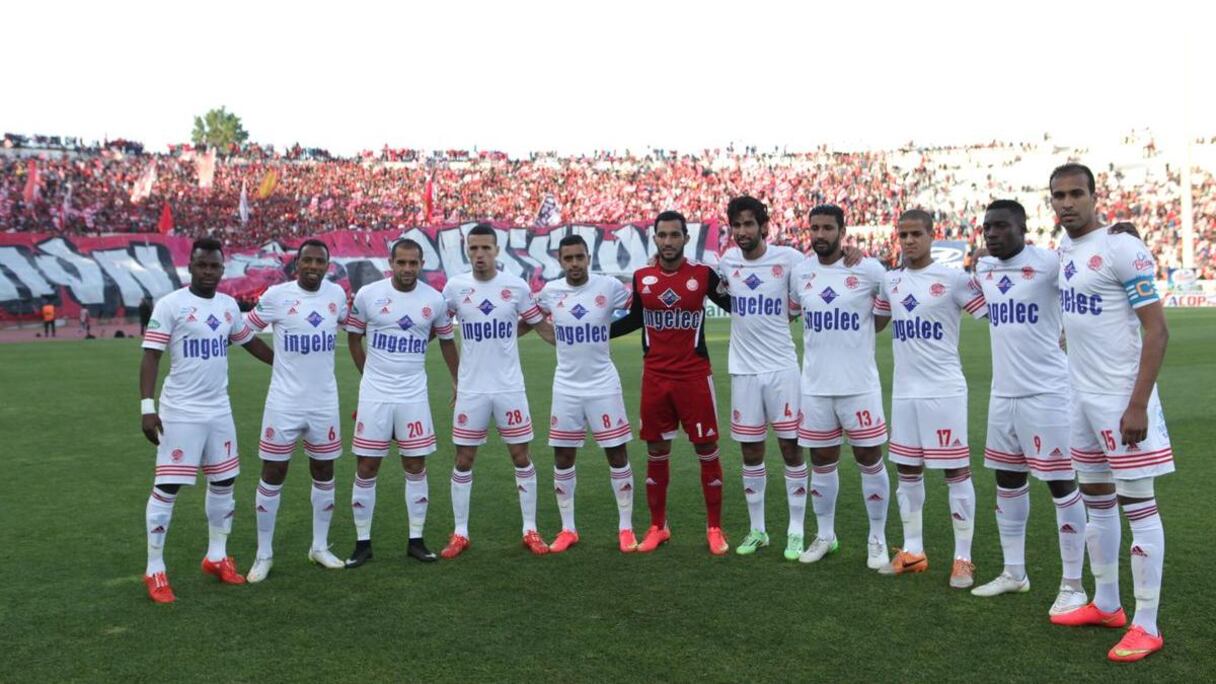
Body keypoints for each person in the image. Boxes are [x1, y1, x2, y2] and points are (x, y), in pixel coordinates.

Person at [1048, 163, 1173, 662]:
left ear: (1096, 196)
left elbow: (1157, 330)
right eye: (1059, 195)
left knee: (1138, 505)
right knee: (1096, 500)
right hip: (1080, 397)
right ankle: (1106, 603)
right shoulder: (1064, 248)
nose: (1068, 203)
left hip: (1122, 401)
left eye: (1077, 193)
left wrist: (1138, 403)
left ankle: (1147, 624)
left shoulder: (1122, 246)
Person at [968, 200, 1090, 615]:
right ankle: (1014, 572)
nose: (992, 233)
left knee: (1061, 485)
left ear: (1023, 228)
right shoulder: (984, 268)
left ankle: (1073, 584)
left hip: (1049, 394)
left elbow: (1087, 294)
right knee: (1007, 481)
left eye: (1001, 226)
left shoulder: (1050, 263)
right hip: (1003, 394)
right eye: (987, 227)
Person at [138, 237, 275, 603]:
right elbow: (151, 356)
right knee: (168, 488)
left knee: (225, 482)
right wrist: (147, 407)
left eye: (215, 266)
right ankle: (154, 568)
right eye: (203, 265)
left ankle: (216, 556)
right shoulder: (171, 305)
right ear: (191, 266)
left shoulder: (229, 306)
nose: (209, 272)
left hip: (219, 410)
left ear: (222, 268)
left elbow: (249, 342)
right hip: (181, 411)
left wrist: (286, 364)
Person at [874, 210, 987, 589]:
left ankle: (963, 559)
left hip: (944, 391)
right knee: (907, 471)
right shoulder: (891, 282)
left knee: (955, 473)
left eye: (915, 234)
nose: (908, 241)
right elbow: (874, 322)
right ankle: (913, 552)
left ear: (931, 236)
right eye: (902, 234)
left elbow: (993, 313)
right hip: (904, 392)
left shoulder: (953, 279)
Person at [610, 210, 734, 555]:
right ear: (655, 238)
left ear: (685, 238)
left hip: (694, 377)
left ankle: (714, 528)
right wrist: (594, 332)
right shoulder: (642, 277)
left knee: (707, 451)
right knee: (656, 452)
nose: (668, 242)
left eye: (674, 235)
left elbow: (736, 304)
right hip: (655, 379)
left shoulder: (704, 275)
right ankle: (657, 526)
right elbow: (634, 319)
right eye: (662, 235)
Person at [439, 224, 555, 558]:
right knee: (464, 459)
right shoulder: (456, 287)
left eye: (485, 248)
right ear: (467, 251)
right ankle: (460, 533)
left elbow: (540, 327)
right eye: (473, 249)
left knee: (521, 456)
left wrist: (580, 333)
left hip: (509, 387)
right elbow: (439, 328)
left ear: (497, 250)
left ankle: (530, 529)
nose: (479, 255)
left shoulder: (515, 287)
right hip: (472, 390)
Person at [344, 238, 459, 567]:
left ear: (421, 264)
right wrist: (368, 376)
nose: (407, 269)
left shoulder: (434, 300)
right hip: (375, 394)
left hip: (413, 394)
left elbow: (446, 342)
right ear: (390, 263)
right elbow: (354, 338)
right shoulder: (369, 296)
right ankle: (362, 543)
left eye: (413, 263)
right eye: (402, 263)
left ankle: (416, 540)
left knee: (415, 466)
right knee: (367, 467)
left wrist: (457, 380)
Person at [788, 204, 892, 570]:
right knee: (822, 461)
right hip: (815, 386)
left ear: (842, 230)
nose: (820, 235)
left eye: (827, 228)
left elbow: (886, 310)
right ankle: (825, 535)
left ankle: (877, 538)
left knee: (869, 459)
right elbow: (792, 311)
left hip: (859, 385)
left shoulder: (867, 269)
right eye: (814, 228)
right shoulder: (801, 273)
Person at [243, 239, 350, 583]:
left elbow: (356, 327)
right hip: (284, 403)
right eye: (308, 260)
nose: (314, 266)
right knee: (273, 473)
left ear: (327, 265)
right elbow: (244, 332)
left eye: (320, 261)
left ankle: (319, 546)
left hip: (324, 403)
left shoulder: (336, 296)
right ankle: (263, 554)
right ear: (297, 263)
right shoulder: (277, 296)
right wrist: (275, 361)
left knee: (324, 471)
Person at [716, 196, 809, 560]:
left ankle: (797, 530)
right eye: (736, 225)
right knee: (751, 451)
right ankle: (758, 530)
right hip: (743, 371)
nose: (742, 232)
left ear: (764, 226)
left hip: (782, 368)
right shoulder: (727, 261)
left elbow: (812, 286)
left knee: (790, 448)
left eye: (748, 224)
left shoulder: (789, 259)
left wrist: (851, 256)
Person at [536, 235, 637, 553]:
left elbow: (639, 308)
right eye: (569, 258)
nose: (575, 263)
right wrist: (551, 336)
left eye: (580, 257)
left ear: (588, 256)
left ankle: (625, 528)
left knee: (617, 454)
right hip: (566, 386)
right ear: (560, 260)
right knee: (563, 457)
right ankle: (568, 529)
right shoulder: (550, 292)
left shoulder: (608, 287)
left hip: (603, 385)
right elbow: (530, 317)